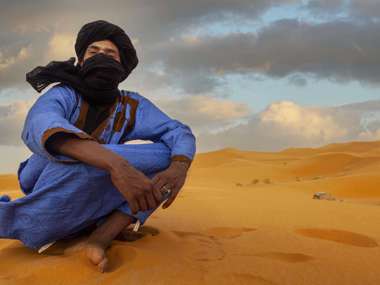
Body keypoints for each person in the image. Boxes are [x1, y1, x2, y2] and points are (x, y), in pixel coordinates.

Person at [0, 20, 196, 272]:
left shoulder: (130, 104)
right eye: (94, 52)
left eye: (110, 54)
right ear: (81, 60)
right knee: (78, 159)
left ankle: (101, 236)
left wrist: (179, 167)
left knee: (171, 156)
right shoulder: (63, 93)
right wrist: (117, 165)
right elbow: (41, 124)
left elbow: (177, 131)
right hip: (46, 174)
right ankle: (34, 221)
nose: (101, 57)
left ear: (121, 66)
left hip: (96, 180)